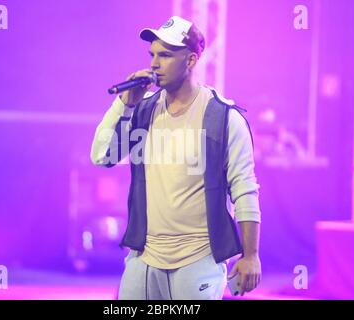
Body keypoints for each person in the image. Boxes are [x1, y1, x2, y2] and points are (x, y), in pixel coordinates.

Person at [91, 16, 261, 300]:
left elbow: (245, 189)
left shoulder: (224, 117)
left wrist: (251, 255)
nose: (155, 64)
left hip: (198, 258)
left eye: (166, 55)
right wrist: (124, 104)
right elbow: (102, 156)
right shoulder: (142, 111)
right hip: (144, 255)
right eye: (153, 55)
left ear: (192, 60)